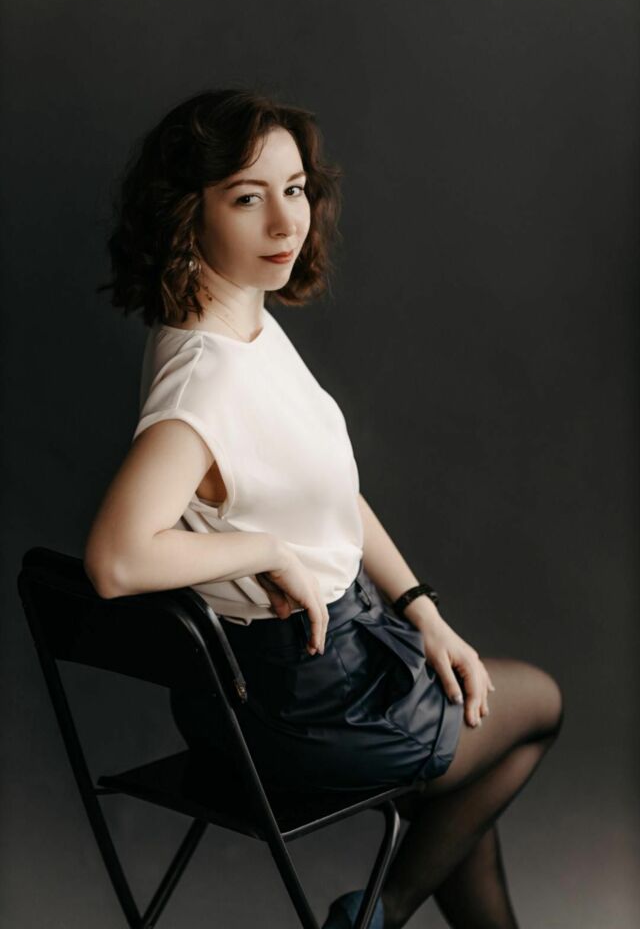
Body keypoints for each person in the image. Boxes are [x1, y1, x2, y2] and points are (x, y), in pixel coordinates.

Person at [83, 88, 564, 929]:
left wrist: (424, 613)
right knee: (538, 704)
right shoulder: (205, 383)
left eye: (296, 190)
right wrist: (266, 550)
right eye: (247, 197)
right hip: (308, 701)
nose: (285, 223)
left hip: (258, 693)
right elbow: (115, 560)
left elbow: (330, 495)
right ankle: (378, 915)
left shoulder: (241, 323)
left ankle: (377, 912)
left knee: (460, 816)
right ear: (186, 213)